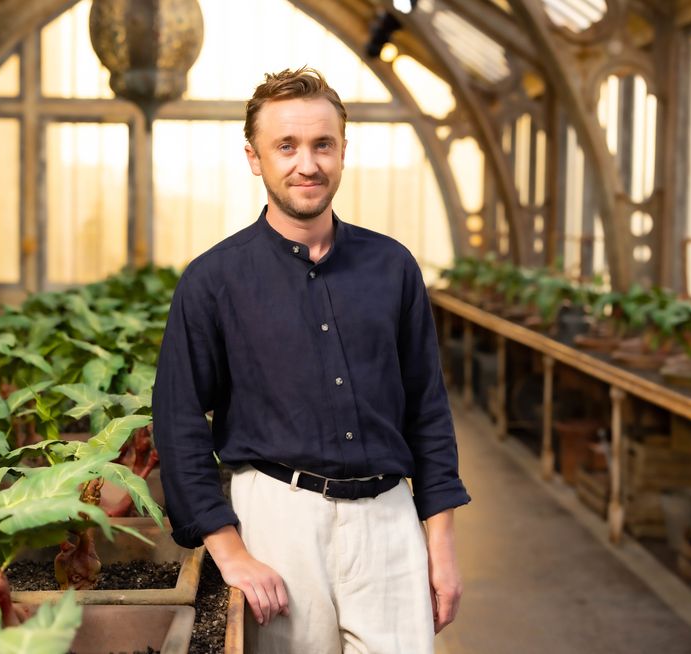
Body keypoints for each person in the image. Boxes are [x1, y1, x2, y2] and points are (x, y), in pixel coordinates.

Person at [152, 66, 471, 653]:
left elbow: (427, 407)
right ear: (254, 158)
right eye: (286, 146)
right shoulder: (212, 281)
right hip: (278, 520)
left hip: (389, 520)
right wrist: (230, 552)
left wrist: (441, 545)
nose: (308, 163)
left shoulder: (393, 267)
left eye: (323, 144)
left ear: (343, 150)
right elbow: (177, 424)